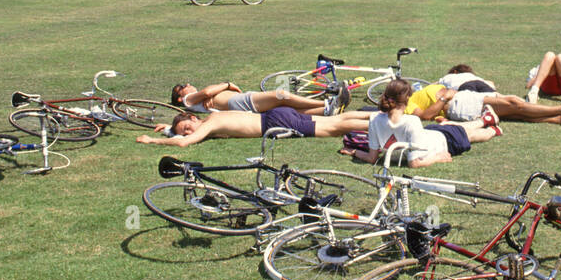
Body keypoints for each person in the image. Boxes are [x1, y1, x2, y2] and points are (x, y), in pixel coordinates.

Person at [353, 78, 499, 168]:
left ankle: (483, 120)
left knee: (452, 128)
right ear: (407, 98)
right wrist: (438, 158)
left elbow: (372, 157)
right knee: (469, 135)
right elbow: (415, 163)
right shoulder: (411, 121)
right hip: (442, 142)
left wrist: (354, 152)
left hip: (429, 134)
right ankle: (493, 129)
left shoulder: (374, 119)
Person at [137, 97, 375, 147]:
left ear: (192, 117)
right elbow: (180, 137)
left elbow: (183, 143)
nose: (189, 131)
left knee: (335, 127)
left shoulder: (210, 124)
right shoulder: (212, 118)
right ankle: (377, 117)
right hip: (276, 115)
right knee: (337, 119)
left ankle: (382, 124)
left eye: (188, 126)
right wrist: (169, 130)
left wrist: (151, 140)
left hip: (275, 122)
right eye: (185, 131)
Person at [409, 73, 561, 127]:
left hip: (463, 99)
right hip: (458, 104)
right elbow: (424, 116)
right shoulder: (408, 105)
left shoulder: (418, 92)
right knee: (514, 103)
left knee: (517, 114)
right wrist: (443, 97)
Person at [169, 82, 350, 118]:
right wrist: (227, 83)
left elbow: (209, 93)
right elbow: (209, 90)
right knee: (281, 95)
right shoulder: (188, 99)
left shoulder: (196, 101)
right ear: (180, 96)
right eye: (183, 85)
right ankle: (326, 103)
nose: (188, 84)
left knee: (286, 108)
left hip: (238, 104)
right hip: (239, 102)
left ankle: (326, 112)